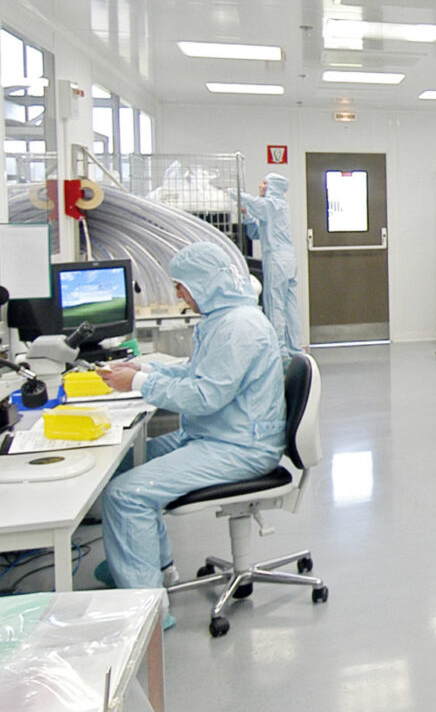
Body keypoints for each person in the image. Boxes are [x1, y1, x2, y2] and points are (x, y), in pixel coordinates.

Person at [93, 243, 286, 611]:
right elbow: (198, 372)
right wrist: (144, 371)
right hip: (216, 433)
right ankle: (151, 568)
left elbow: (204, 396)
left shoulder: (238, 327)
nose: (178, 294)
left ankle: (146, 613)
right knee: (122, 466)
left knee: (127, 494)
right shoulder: (223, 317)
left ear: (204, 284)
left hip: (239, 447)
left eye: (181, 285)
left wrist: (137, 385)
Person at [239, 172, 302, 355]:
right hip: (287, 261)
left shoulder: (273, 205)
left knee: (275, 305)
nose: (260, 186)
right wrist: (248, 217)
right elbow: (256, 234)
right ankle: (295, 348)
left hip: (277, 261)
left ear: (272, 187)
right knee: (289, 306)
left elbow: (253, 203)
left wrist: (231, 193)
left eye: (264, 183)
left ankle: (280, 351)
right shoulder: (278, 207)